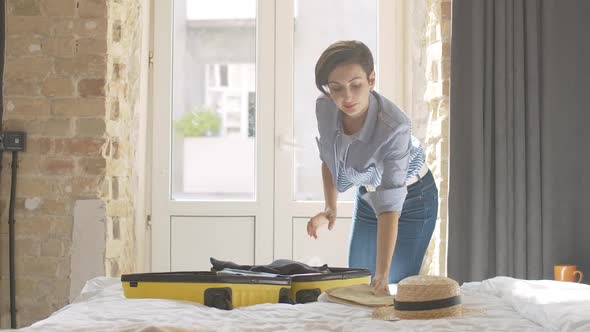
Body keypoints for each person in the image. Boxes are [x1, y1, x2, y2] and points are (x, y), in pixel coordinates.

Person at [307, 40, 438, 296]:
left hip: (413, 197)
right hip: (369, 194)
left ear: (371, 80)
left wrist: (382, 275)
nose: (347, 97)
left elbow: (389, 205)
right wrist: (330, 208)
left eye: (356, 85)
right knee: (359, 283)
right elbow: (329, 159)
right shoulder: (325, 108)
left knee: (390, 286)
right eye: (336, 88)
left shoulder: (395, 126)